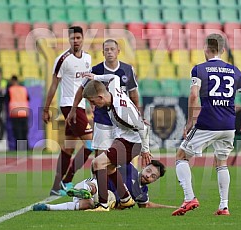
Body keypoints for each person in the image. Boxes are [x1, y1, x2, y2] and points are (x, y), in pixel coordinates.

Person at [171, 33, 241, 216]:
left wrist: (190, 121)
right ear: (223, 50)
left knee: (181, 156)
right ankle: (224, 206)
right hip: (228, 125)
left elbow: (194, 95)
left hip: (207, 123)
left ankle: (189, 198)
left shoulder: (199, 69)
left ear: (205, 49)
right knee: (221, 162)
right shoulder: (235, 71)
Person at [81, 76, 151, 211]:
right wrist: (95, 78)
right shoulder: (112, 89)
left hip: (131, 143)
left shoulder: (120, 112)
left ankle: (103, 204)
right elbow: (114, 77)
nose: (93, 105)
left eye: (92, 101)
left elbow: (143, 128)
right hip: (124, 138)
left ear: (101, 97)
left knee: (97, 163)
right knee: (110, 167)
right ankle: (126, 199)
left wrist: (145, 150)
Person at [65, 39, 139, 159]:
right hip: (102, 119)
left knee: (121, 155)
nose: (109, 52)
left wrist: (138, 114)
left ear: (118, 51)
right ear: (103, 53)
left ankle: (122, 177)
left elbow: (133, 94)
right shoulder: (96, 70)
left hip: (122, 120)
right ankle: (97, 177)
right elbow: (81, 90)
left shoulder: (128, 69)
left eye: (112, 49)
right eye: (106, 50)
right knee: (100, 154)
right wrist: (73, 109)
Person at [42, 26, 93, 196]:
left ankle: (56, 186)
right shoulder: (62, 59)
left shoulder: (87, 58)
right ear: (69, 39)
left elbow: (87, 85)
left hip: (80, 106)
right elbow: (54, 85)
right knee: (90, 144)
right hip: (68, 106)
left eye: (78, 38)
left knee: (68, 147)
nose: (75, 41)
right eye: (72, 38)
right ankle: (67, 180)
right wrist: (46, 108)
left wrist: (91, 103)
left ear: (83, 38)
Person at [32, 161, 175, 211]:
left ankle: (47, 207)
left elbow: (147, 205)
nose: (148, 176)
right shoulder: (128, 167)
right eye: (148, 171)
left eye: (153, 176)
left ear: (154, 181)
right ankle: (83, 190)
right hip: (95, 184)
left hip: (100, 201)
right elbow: (103, 164)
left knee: (87, 204)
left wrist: (173, 207)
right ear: (144, 166)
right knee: (97, 186)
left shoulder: (142, 193)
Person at [5, 75, 29, 150]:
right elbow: (28, 98)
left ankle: (19, 148)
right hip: (24, 112)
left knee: (17, 132)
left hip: (15, 113)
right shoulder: (23, 89)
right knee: (24, 131)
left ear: (12, 81)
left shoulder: (10, 89)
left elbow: (6, 99)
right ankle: (26, 148)